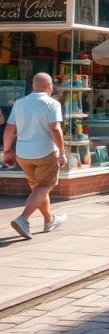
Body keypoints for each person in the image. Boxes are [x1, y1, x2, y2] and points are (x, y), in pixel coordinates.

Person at [4, 73, 67, 239]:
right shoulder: (52, 103)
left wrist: (7, 151)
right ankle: (23, 219)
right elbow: (55, 129)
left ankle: (49, 220)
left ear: (33, 85)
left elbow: (9, 129)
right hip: (45, 152)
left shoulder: (19, 103)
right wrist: (62, 151)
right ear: (49, 86)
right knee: (45, 186)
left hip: (24, 154)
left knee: (37, 188)